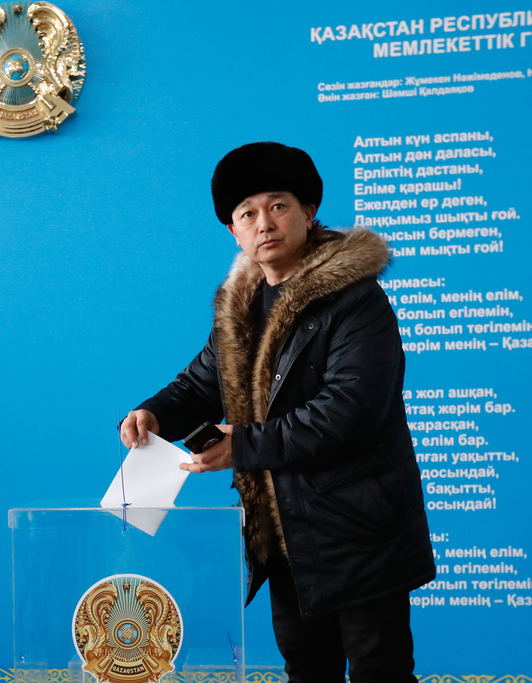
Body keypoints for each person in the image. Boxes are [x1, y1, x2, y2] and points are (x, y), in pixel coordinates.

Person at [119, 142, 436, 682]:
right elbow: (201, 383)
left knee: (379, 671)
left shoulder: (357, 300)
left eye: (278, 205)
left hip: (360, 531)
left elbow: (350, 411)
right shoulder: (240, 308)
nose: (264, 222)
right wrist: (152, 414)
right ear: (234, 232)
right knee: (306, 670)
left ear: (309, 212)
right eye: (247, 213)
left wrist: (242, 446)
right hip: (284, 532)